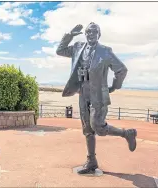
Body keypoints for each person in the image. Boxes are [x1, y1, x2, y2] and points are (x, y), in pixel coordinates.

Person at [56, 22, 137, 174]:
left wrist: (114, 86)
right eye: (88, 32)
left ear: (99, 34)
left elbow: (121, 69)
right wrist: (69, 35)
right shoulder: (78, 47)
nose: (91, 34)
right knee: (87, 129)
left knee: (98, 127)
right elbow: (60, 50)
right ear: (85, 34)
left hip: (98, 95)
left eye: (94, 32)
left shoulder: (105, 52)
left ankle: (127, 133)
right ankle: (91, 161)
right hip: (82, 93)